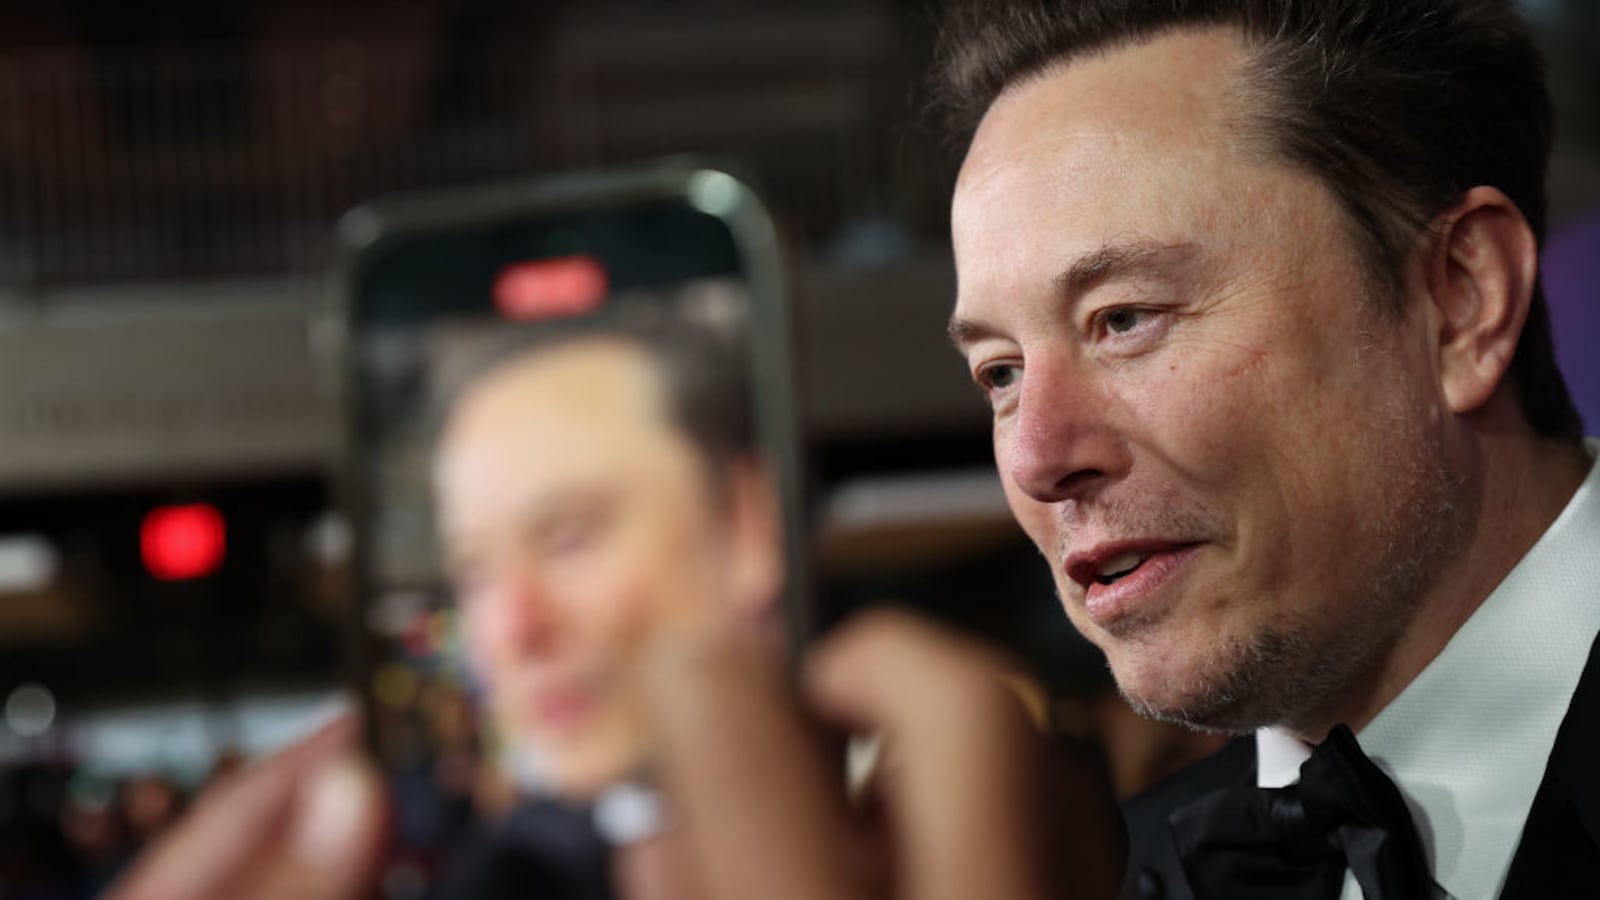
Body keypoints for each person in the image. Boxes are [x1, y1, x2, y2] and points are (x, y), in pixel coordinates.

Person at [106, 1, 1600, 897]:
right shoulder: (1127, 869)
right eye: (1000, 370)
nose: (1041, 453)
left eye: (1129, 317)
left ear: (1459, 298)